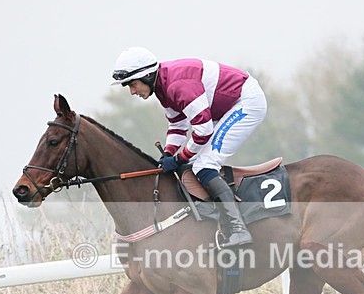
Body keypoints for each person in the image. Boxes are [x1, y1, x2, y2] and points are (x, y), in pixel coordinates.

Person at [111, 46, 267, 247]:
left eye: (133, 85)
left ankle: (239, 229)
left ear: (147, 76)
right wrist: (168, 153)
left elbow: (203, 130)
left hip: (246, 102)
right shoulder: (162, 88)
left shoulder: (177, 86)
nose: (132, 92)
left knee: (204, 165)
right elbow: (178, 125)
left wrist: (179, 159)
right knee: (195, 163)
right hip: (226, 108)